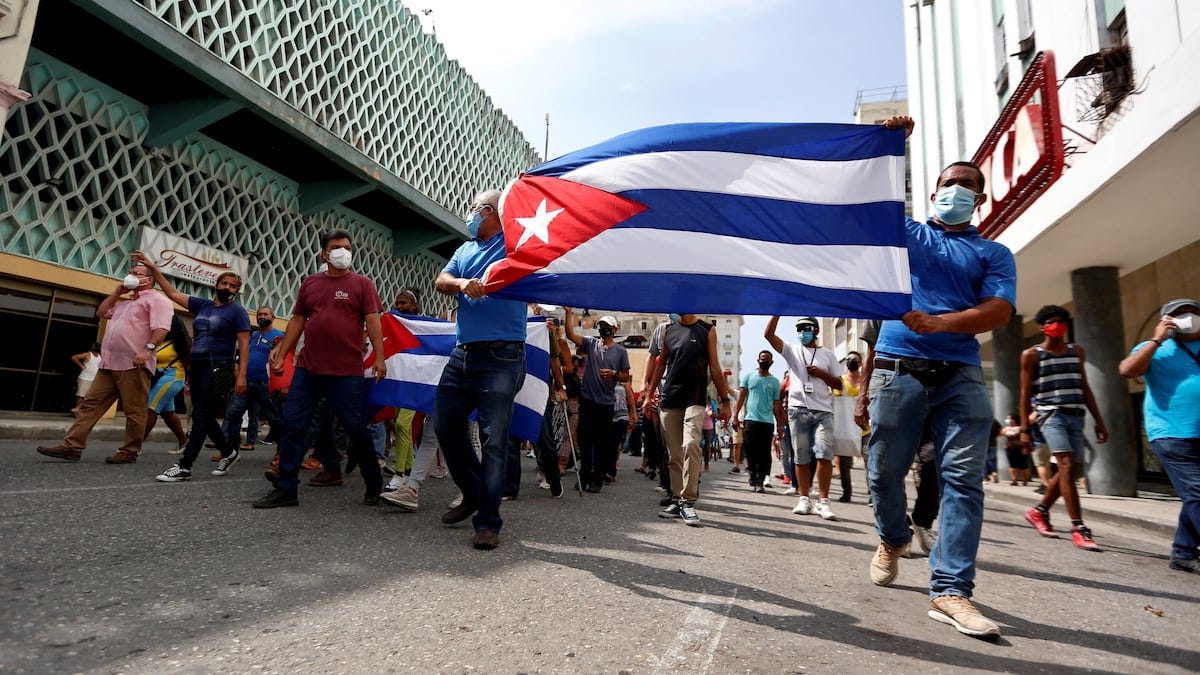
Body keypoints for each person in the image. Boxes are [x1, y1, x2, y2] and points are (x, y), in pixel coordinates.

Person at [858, 115, 1017, 639]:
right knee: (883, 472)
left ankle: (950, 591)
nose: (957, 191)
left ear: (981, 199)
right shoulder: (908, 235)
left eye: (968, 186)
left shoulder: (992, 253)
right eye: (949, 184)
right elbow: (871, 204)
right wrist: (892, 146)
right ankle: (892, 536)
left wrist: (942, 322)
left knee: (963, 483)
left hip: (961, 376)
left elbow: (998, 311)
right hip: (897, 368)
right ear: (932, 193)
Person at [251, 228, 387, 508]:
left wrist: (379, 358)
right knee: (293, 425)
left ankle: (374, 483)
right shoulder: (310, 283)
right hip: (308, 369)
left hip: (346, 372)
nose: (343, 251)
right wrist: (283, 352)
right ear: (324, 253)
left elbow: (373, 321)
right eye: (337, 246)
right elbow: (298, 320)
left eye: (348, 247)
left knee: (356, 428)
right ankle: (286, 488)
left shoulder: (363, 284)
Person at [429, 190, 528, 550]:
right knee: (445, 424)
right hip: (464, 354)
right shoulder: (465, 249)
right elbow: (442, 280)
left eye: (476, 209)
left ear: (493, 213)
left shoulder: (515, 243)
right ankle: (473, 493)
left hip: (502, 356)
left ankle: (488, 522)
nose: (470, 214)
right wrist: (461, 284)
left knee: (493, 441)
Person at [36, 262, 172, 463]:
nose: (131, 275)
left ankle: (129, 451)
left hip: (134, 364)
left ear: (149, 279)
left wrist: (147, 350)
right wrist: (118, 291)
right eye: (130, 272)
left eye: (136, 273)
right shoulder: (125, 303)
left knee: (134, 411)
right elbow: (101, 312)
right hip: (109, 364)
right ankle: (72, 446)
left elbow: (161, 328)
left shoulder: (157, 300)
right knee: (89, 405)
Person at [137, 251, 251, 482]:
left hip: (219, 366)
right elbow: (171, 293)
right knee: (203, 414)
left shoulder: (237, 312)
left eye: (232, 286)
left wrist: (241, 376)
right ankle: (228, 452)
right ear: (216, 284)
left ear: (236, 291)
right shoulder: (203, 306)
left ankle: (185, 466)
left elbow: (244, 344)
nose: (227, 287)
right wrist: (154, 269)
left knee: (200, 415)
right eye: (224, 283)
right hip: (197, 365)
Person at [1119, 298, 1200, 574]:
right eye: (1179, 314)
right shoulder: (1152, 348)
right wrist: (1156, 339)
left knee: (1193, 495)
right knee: (1198, 493)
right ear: (1167, 321)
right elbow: (1128, 371)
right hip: (1172, 433)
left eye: (1192, 312)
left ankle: (1184, 552)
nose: (1187, 317)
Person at [1019, 305, 1109, 550]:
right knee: (1066, 465)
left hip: (1076, 414)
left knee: (1071, 470)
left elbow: (1085, 386)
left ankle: (1039, 511)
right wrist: (1025, 429)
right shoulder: (1032, 354)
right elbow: (1026, 393)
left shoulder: (1076, 351)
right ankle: (1078, 527)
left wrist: (1099, 420)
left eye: (1061, 321)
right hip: (1051, 415)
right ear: (1042, 326)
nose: (1056, 325)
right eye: (1051, 321)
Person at [643, 313, 734, 526]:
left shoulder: (707, 330)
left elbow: (715, 366)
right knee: (673, 454)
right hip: (669, 399)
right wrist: (648, 395)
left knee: (691, 445)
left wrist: (725, 400)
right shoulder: (667, 330)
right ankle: (676, 499)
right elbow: (661, 364)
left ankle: (688, 502)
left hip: (694, 398)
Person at [765, 316, 843, 521]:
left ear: (816, 331)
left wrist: (822, 374)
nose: (802, 332)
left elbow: (839, 384)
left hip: (823, 411)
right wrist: (777, 312)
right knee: (800, 456)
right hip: (798, 410)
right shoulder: (792, 350)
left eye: (806, 328)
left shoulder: (828, 354)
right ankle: (804, 498)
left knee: (825, 453)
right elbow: (769, 335)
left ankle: (824, 501)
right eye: (799, 329)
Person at [564, 310, 631, 493]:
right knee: (585, 441)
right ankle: (584, 476)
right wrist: (568, 313)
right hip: (588, 400)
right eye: (600, 326)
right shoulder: (591, 344)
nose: (603, 330)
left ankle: (598, 479)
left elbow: (626, 376)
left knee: (603, 443)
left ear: (615, 330)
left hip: (606, 403)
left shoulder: (620, 352)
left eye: (607, 327)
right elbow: (570, 335)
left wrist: (614, 374)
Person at [222, 306, 284, 451]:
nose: (262, 317)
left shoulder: (279, 336)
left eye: (266, 314)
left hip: (265, 384)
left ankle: (283, 449)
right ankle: (228, 448)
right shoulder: (253, 335)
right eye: (259, 314)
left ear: (273, 318)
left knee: (271, 417)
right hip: (246, 381)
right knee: (233, 412)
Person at [733, 350, 783, 493]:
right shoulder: (749, 376)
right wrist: (735, 416)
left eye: (767, 359)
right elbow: (741, 398)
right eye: (762, 358)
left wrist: (779, 425)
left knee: (764, 452)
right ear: (757, 360)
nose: (764, 361)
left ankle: (760, 480)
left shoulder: (774, 381)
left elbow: (776, 405)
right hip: (750, 420)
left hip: (767, 422)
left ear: (771, 362)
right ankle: (752, 473)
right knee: (750, 450)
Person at [146, 314, 192, 454]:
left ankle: (133, 445)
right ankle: (184, 442)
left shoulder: (180, 342)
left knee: (151, 409)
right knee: (168, 413)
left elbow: (189, 363)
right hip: (159, 377)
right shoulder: (160, 339)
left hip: (173, 376)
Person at [832, 351, 868, 503]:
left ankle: (872, 495)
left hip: (865, 429)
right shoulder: (840, 381)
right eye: (848, 359)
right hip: (846, 428)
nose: (851, 361)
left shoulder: (866, 382)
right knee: (845, 464)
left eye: (854, 359)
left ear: (860, 363)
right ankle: (846, 493)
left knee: (870, 461)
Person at [70, 343, 101, 413]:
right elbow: (74, 357)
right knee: (80, 395)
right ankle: (78, 412)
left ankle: (78, 409)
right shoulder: (87, 354)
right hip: (85, 378)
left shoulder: (100, 356)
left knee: (89, 396)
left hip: (94, 379)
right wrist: (81, 366)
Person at [1000, 414, 1030, 486]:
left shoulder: (1021, 428)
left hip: (1020, 448)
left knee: (1023, 465)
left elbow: (1026, 437)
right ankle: (1014, 480)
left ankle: (1025, 480)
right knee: (1012, 465)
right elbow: (1001, 433)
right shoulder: (1007, 428)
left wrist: (1025, 448)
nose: (1008, 420)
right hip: (1010, 448)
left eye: (1009, 419)